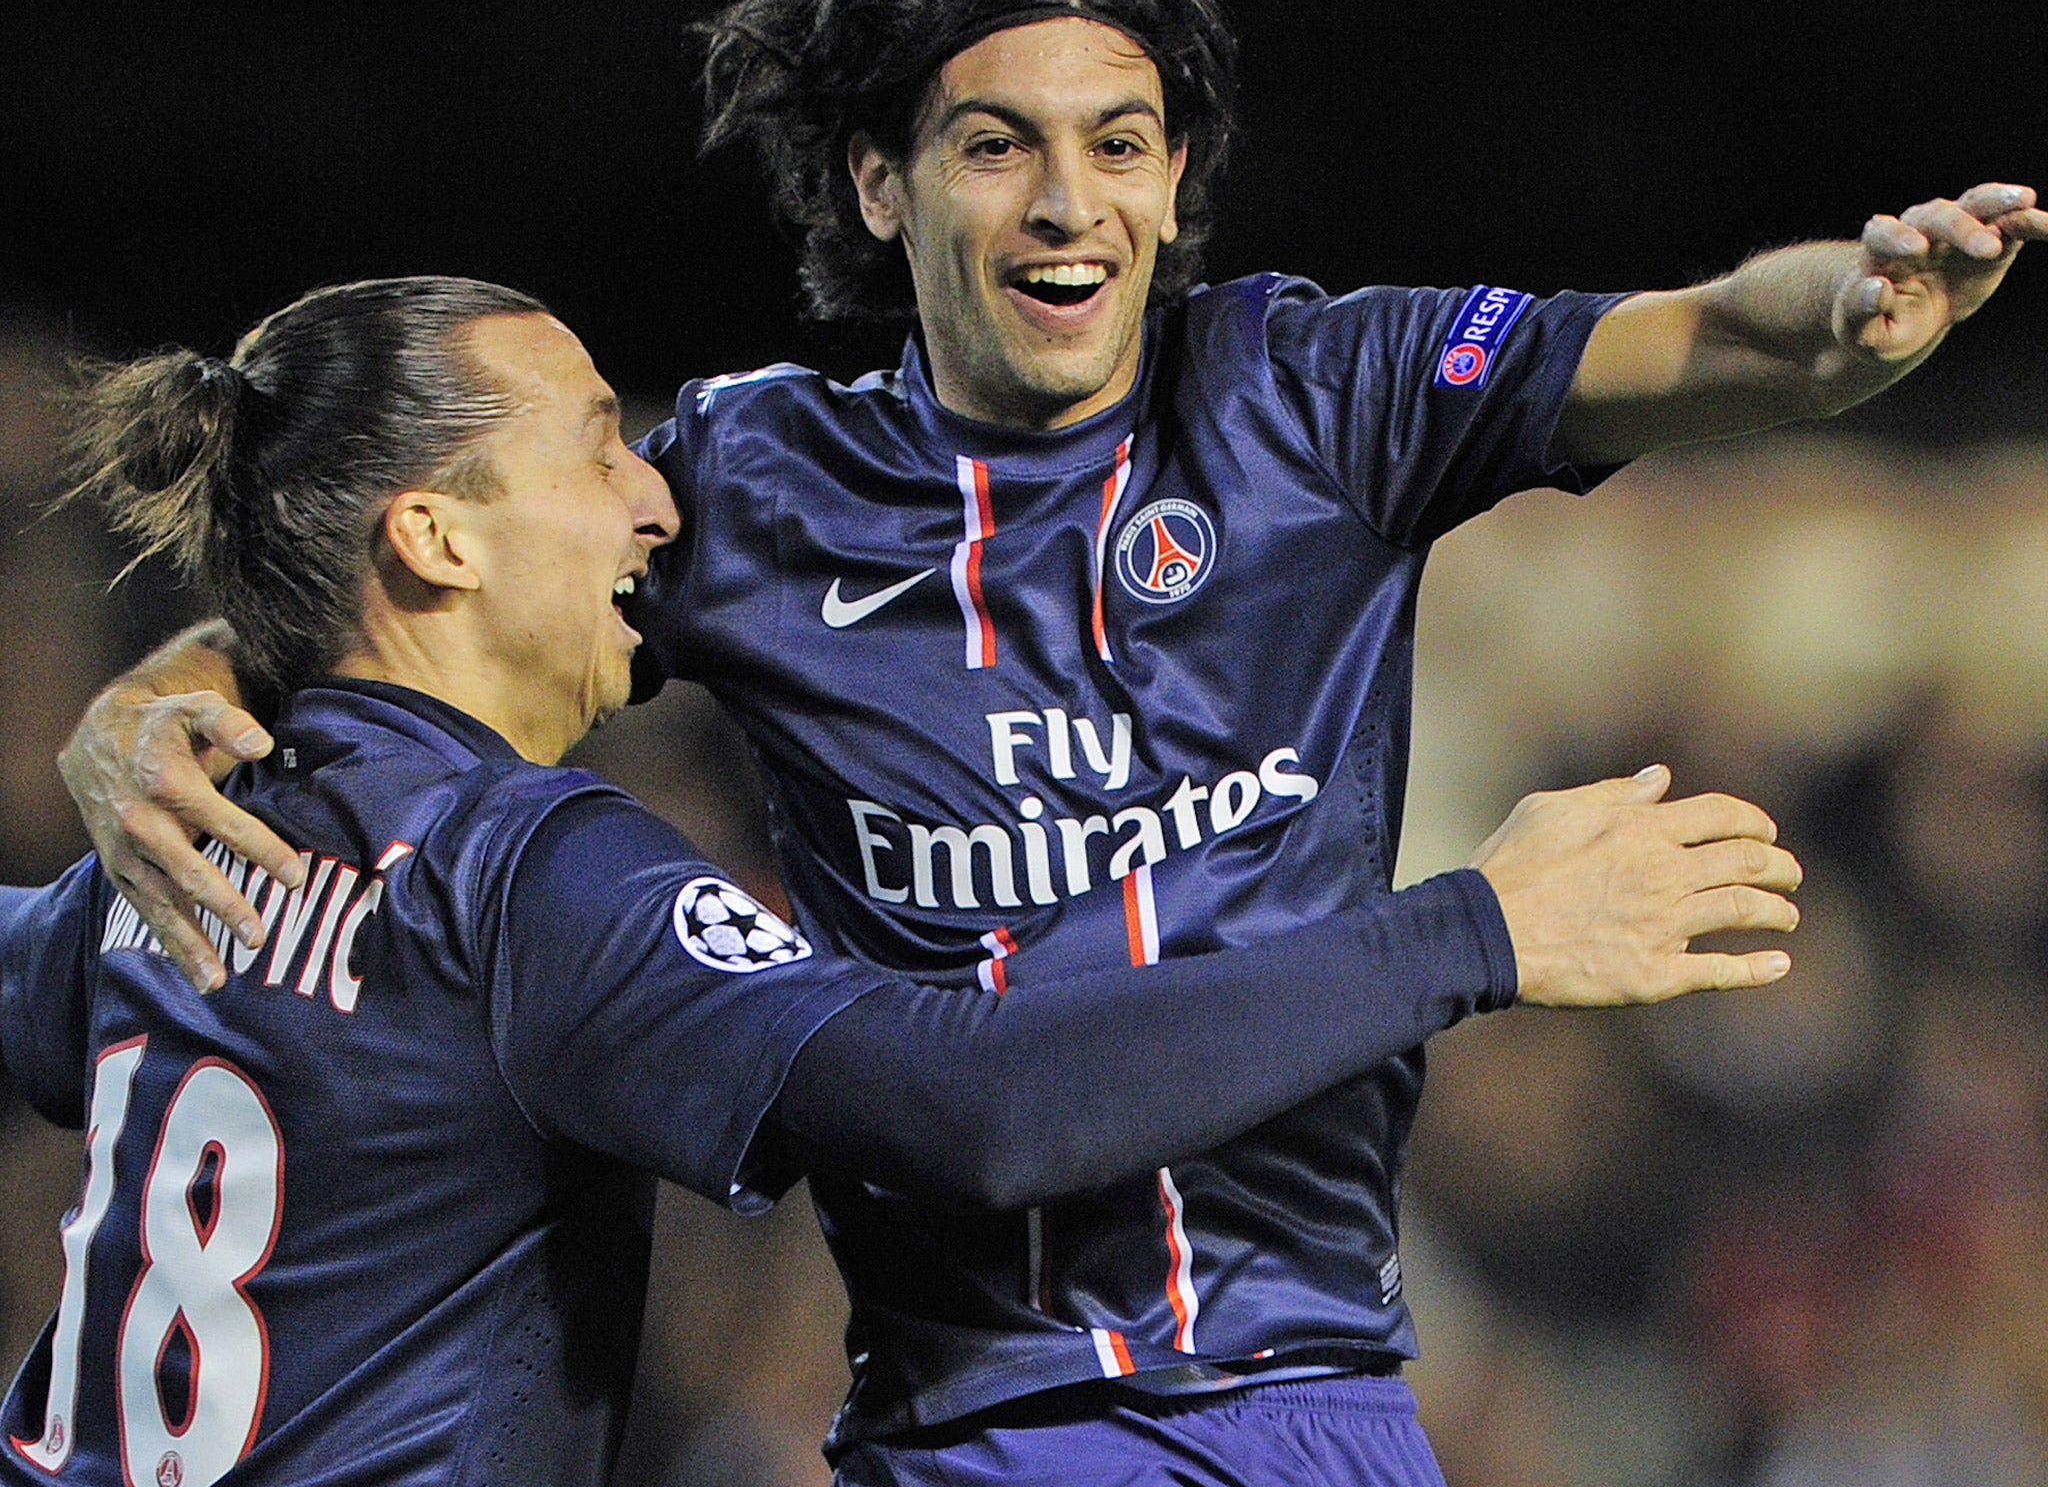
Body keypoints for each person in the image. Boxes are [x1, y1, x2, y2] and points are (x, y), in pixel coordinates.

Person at [60, 0, 2033, 1481]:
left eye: (1116, 139)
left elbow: (1687, 339)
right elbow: (423, 612)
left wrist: (1845, 317)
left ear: (1178, 184)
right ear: (881, 183)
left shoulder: (1317, 396)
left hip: (1321, 1401)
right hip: (974, 1421)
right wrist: (162, 696)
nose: (1061, 194)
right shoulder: (744, 488)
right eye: (994, 141)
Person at [1, 277, 1800, 1487]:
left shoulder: (165, 864)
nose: (654, 502)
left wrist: (160, 691)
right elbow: (968, 1103)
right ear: (438, 534)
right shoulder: (530, 876)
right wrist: (1473, 931)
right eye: (598, 445)